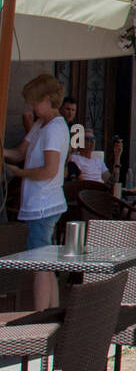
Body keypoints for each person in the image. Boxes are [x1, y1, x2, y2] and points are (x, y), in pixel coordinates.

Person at [3, 74, 70, 309]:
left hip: (43, 204)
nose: (31, 107)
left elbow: (49, 171)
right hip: (39, 204)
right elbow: (21, 153)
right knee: (47, 264)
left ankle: (40, 322)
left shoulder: (55, 129)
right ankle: (50, 318)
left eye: (34, 102)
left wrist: (19, 174)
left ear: (48, 99)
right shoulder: (42, 124)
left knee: (40, 265)